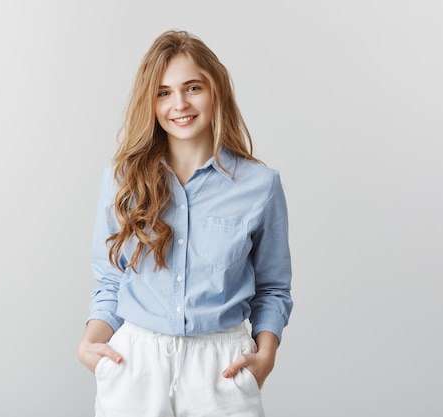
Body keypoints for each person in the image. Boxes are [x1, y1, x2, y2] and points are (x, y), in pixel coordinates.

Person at [78, 29, 293, 417]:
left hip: (220, 367)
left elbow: (273, 287)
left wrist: (266, 356)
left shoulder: (260, 186)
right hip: (135, 366)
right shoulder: (121, 180)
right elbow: (111, 279)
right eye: (163, 92)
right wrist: (90, 345)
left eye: (192, 87)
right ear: (151, 101)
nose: (179, 103)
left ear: (216, 91)